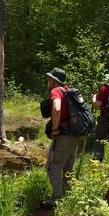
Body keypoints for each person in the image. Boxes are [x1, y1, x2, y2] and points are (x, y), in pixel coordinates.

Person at [44, 67, 78, 207]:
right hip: (73, 135)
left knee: (53, 167)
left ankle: (57, 199)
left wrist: (55, 129)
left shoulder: (56, 91)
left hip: (62, 135)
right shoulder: (68, 91)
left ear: (53, 80)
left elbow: (57, 108)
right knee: (67, 168)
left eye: (49, 78)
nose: (48, 80)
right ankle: (68, 198)